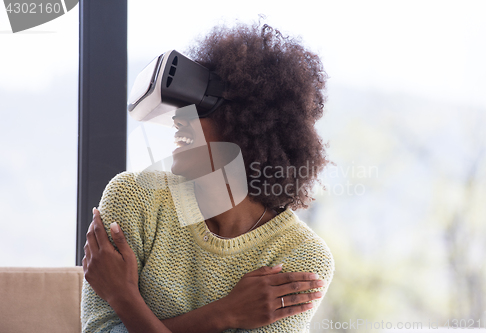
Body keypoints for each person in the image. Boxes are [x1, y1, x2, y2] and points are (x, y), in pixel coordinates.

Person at [81, 21, 334, 333]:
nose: (178, 117)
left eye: (199, 109)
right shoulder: (135, 199)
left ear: (247, 125)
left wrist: (124, 298)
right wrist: (226, 315)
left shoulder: (299, 255)